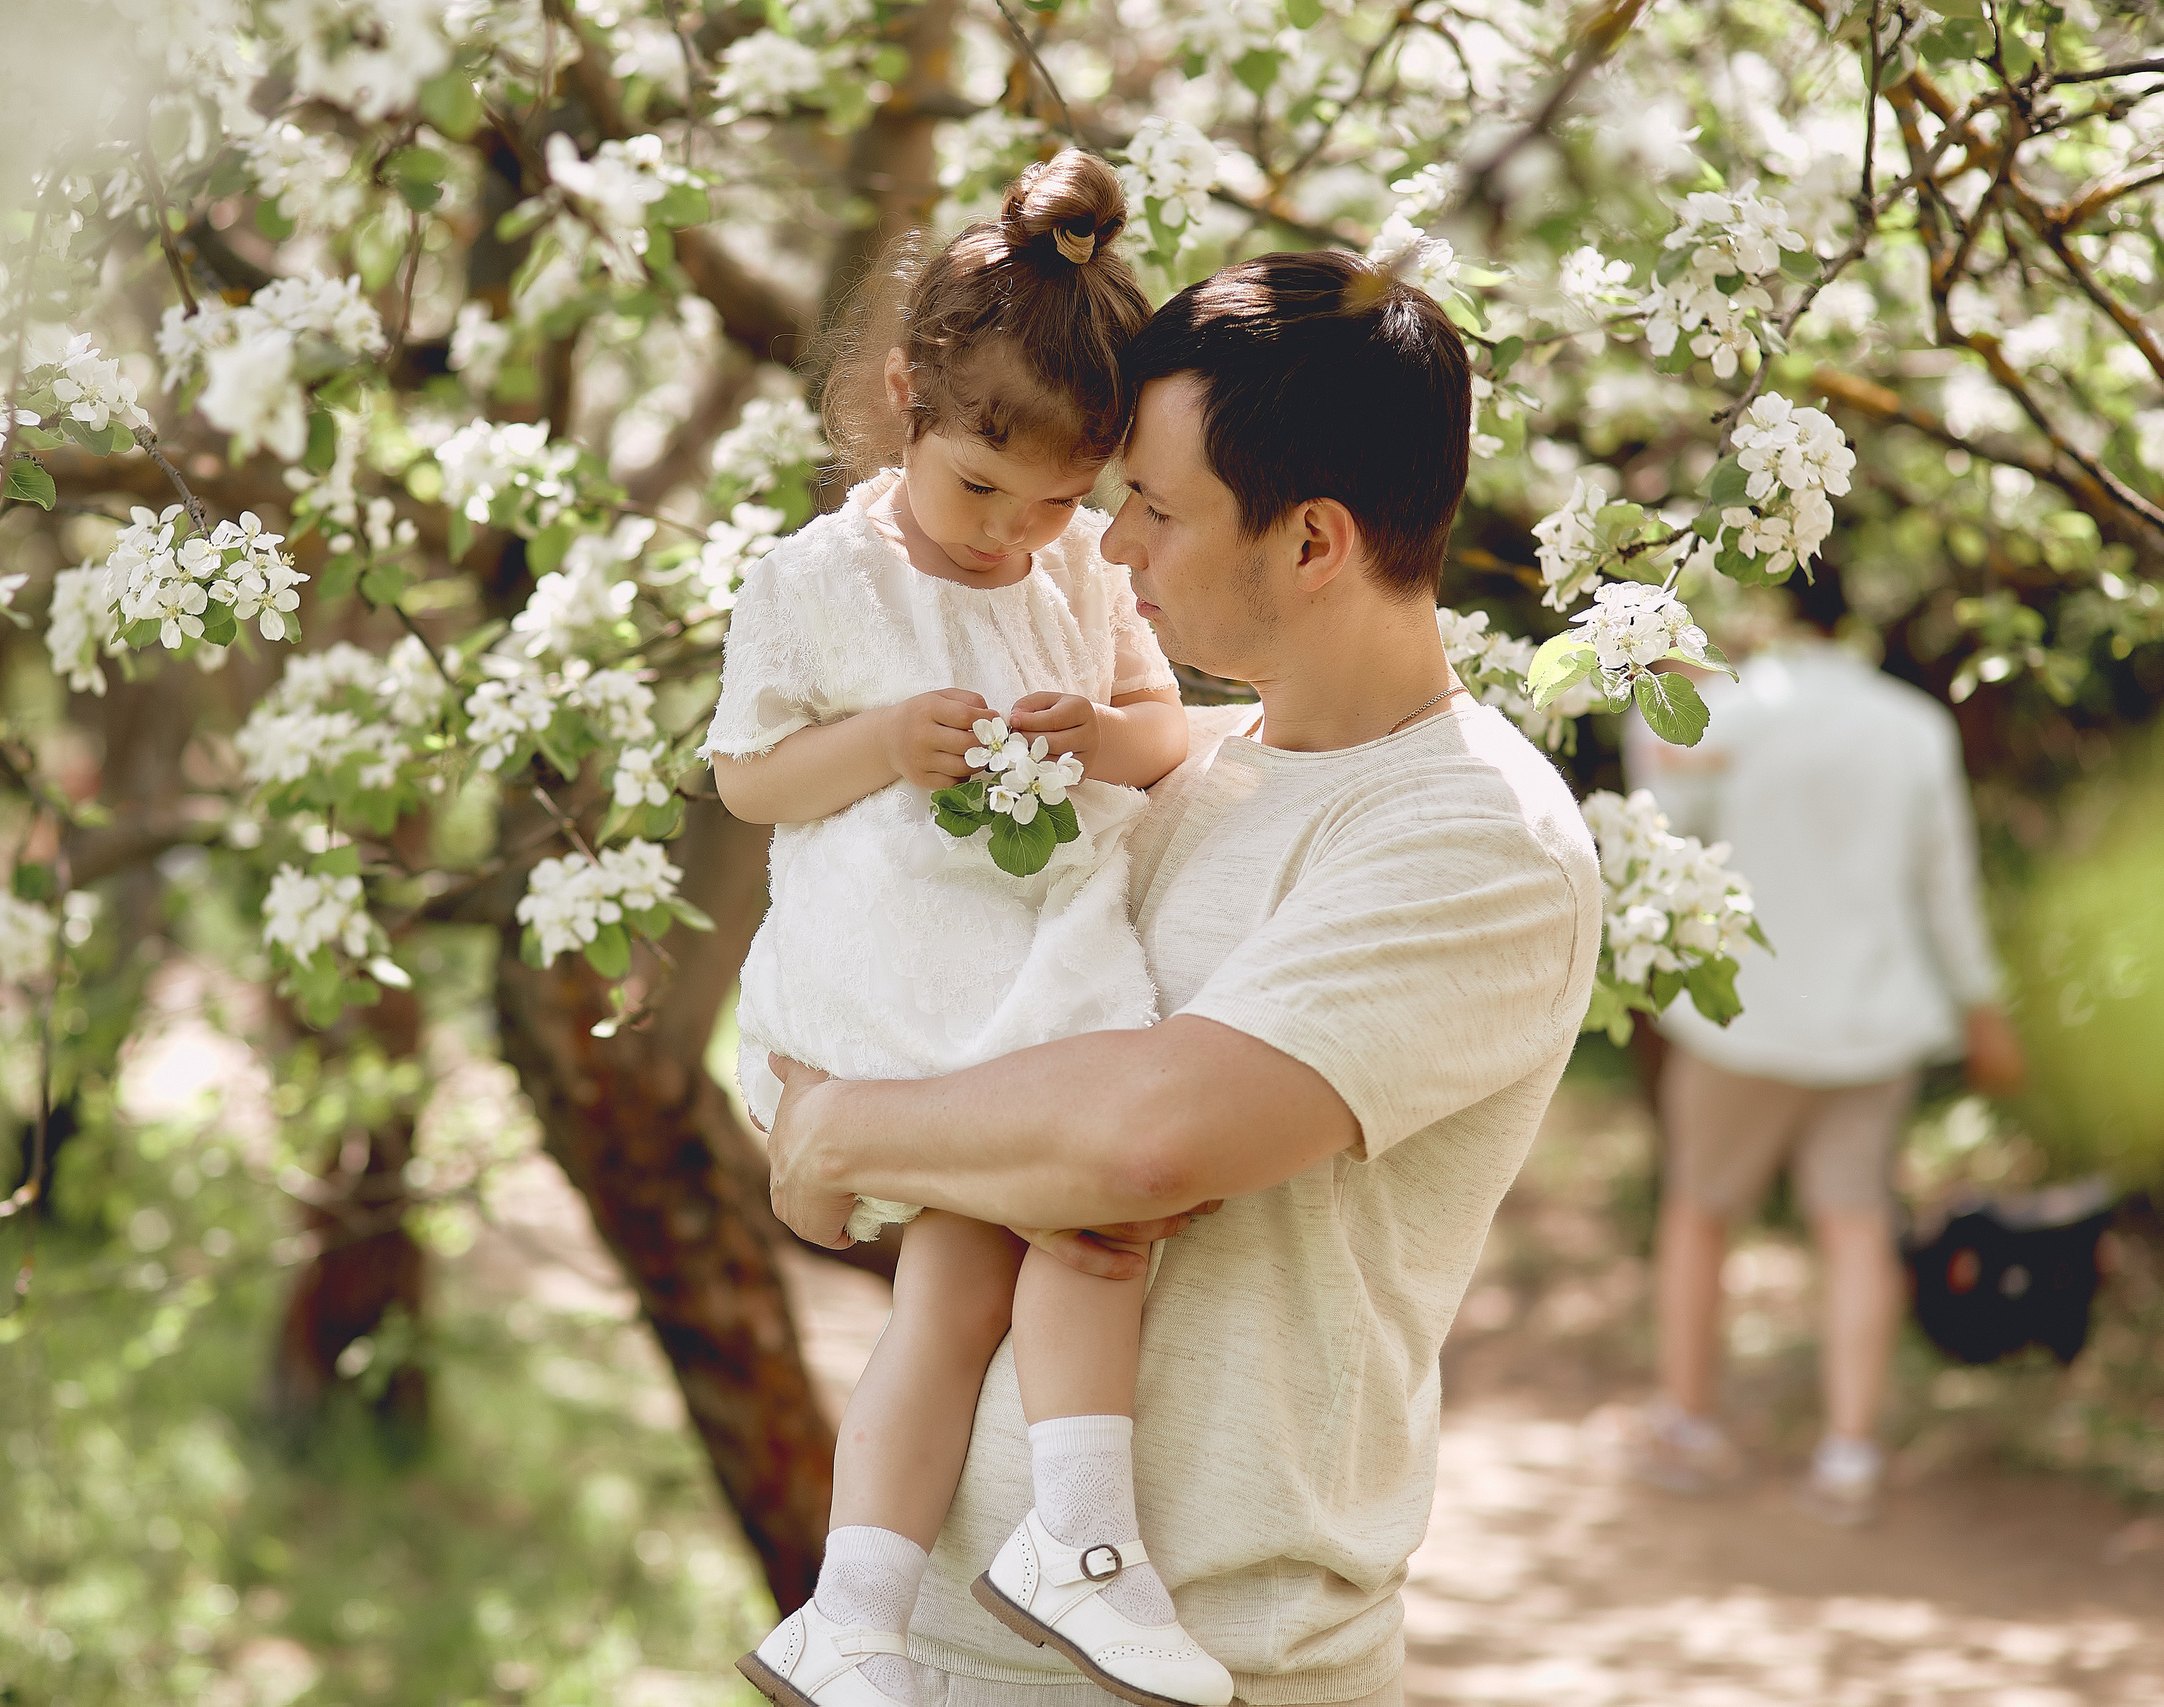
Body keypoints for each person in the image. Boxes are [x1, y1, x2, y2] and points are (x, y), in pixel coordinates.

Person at [760, 251, 1601, 1707]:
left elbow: (1142, 1137)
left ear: (1315, 539)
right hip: (945, 1640)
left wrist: (838, 1127)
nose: (1107, 543)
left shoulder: (1477, 836)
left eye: (1152, 502)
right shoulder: (1169, 772)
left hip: (1213, 1655)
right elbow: (899, 994)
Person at [710, 153, 1228, 1707]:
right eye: (980, 488)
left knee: (991, 1273)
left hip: (1047, 956)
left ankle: (856, 1613)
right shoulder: (814, 579)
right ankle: (1073, 1547)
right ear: (903, 402)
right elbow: (747, 780)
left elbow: (1163, 728)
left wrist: (1099, 730)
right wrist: (881, 741)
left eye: (1065, 497)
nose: (1017, 531)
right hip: (899, 978)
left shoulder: (1074, 565)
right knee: (1083, 1225)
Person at [1625, 568, 2026, 1526]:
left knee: (1700, 1210)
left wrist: (1652, 712)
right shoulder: (1914, 726)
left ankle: (1689, 1418)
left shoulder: (1732, 711)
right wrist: (1984, 1007)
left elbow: (1662, 839)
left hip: (1740, 1018)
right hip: (1872, 1022)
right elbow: (1947, 888)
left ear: (1771, 621)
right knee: (1854, 1225)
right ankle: (1848, 1450)